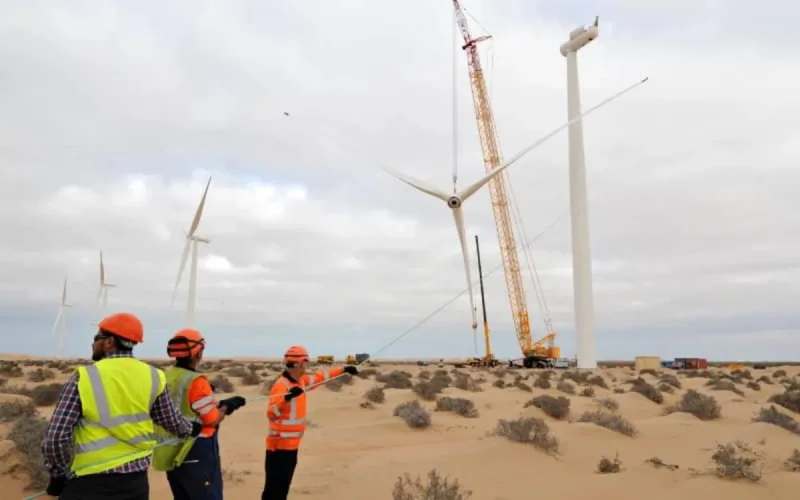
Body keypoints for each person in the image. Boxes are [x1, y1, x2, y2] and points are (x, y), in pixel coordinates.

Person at [41, 312, 202, 500]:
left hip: (88, 483)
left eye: (97, 337)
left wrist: (58, 475)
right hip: (135, 485)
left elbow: (55, 438)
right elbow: (171, 421)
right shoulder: (154, 376)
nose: (93, 343)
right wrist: (191, 428)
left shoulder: (83, 377)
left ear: (109, 342)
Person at [152, 328, 247, 500]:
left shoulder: (166, 376)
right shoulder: (196, 381)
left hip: (171, 453)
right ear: (198, 353)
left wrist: (213, 402)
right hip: (195, 451)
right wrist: (227, 407)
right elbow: (211, 419)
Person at [261, 346, 359, 500]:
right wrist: (286, 399)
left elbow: (320, 377)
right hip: (279, 449)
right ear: (299, 364)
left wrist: (344, 369)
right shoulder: (282, 385)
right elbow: (271, 414)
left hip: (291, 448)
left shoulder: (301, 381)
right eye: (305, 363)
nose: (306, 366)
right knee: (274, 492)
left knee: (281, 491)